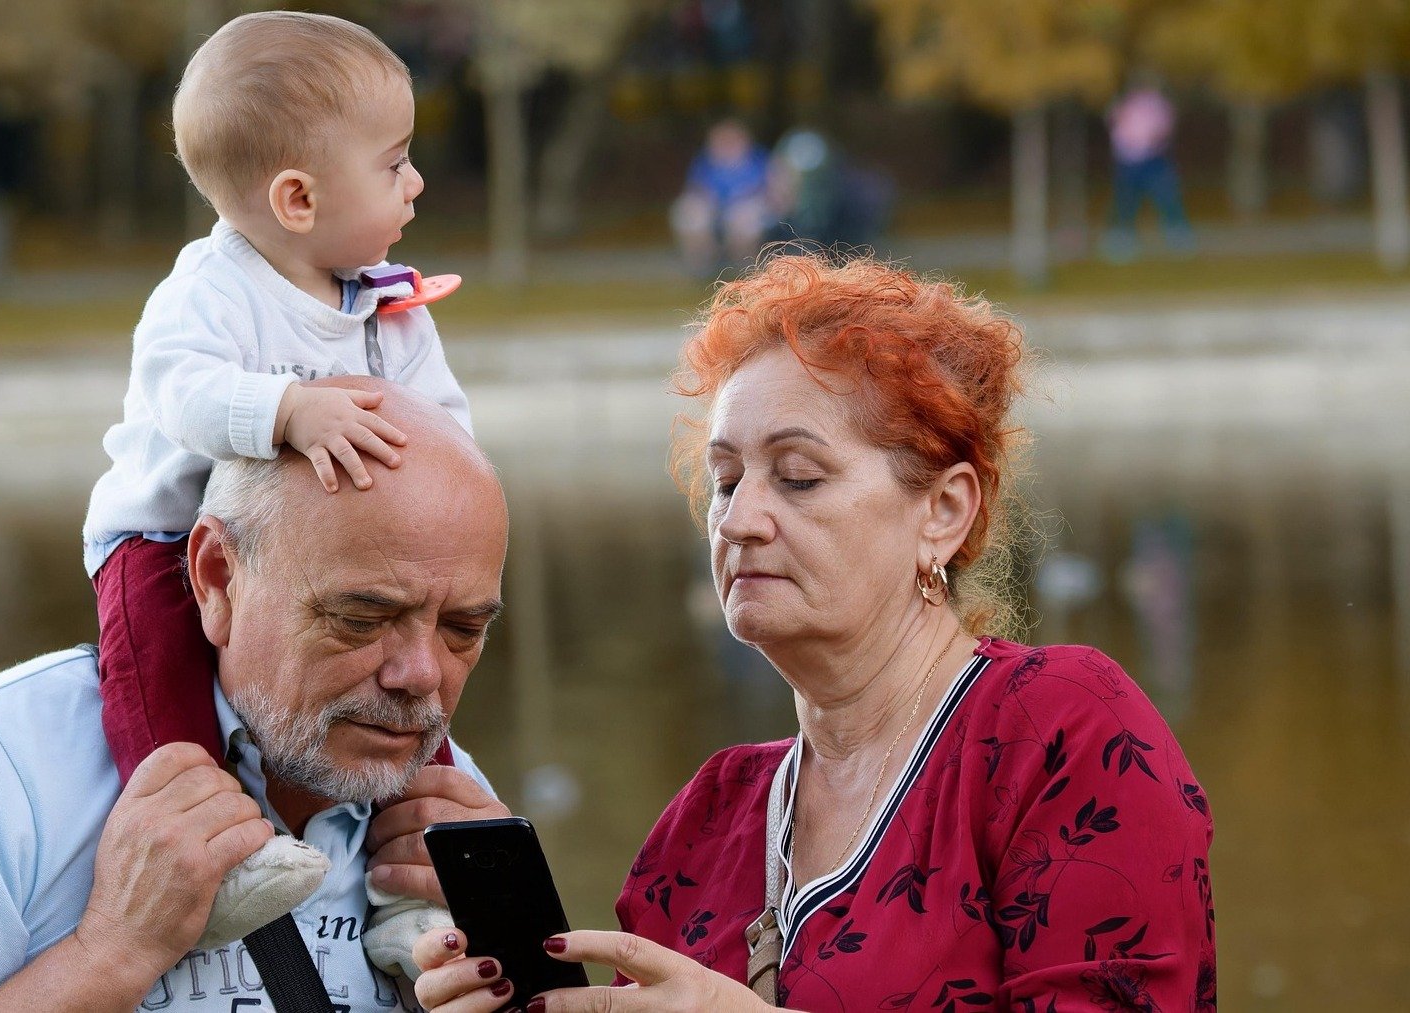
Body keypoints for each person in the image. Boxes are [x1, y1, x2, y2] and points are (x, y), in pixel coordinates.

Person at [413, 254, 1216, 1011]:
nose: (740, 519)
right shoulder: (707, 820)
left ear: (943, 511)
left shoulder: (1062, 731)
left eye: (798, 477)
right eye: (726, 481)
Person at [0, 379, 514, 1012]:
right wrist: (109, 955)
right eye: (362, 617)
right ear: (216, 577)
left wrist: (517, 958)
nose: (420, 674)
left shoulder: (459, 813)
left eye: (461, 629)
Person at [81, 11, 472, 956]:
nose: (415, 182)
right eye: (394, 164)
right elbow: (183, 393)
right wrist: (292, 410)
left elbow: (447, 429)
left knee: (412, 707)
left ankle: (412, 892)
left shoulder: (389, 307)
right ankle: (209, 865)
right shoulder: (210, 291)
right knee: (159, 694)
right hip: (170, 543)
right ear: (297, 198)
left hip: (330, 564)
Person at [1102, 81, 1194, 261]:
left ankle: (1178, 235)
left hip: (1153, 159)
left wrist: (1151, 141)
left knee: (1167, 197)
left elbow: (1165, 128)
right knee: (1126, 201)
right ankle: (1121, 238)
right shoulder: (1124, 104)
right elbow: (1115, 124)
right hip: (1128, 160)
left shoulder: (1158, 105)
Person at [670, 119, 772, 276]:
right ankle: (701, 269)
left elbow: (769, 191)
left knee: (744, 220)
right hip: (713, 207)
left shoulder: (758, 159)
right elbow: (696, 190)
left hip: (747, 208)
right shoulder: (705, 161)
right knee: (690, 214)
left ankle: (747, 272)